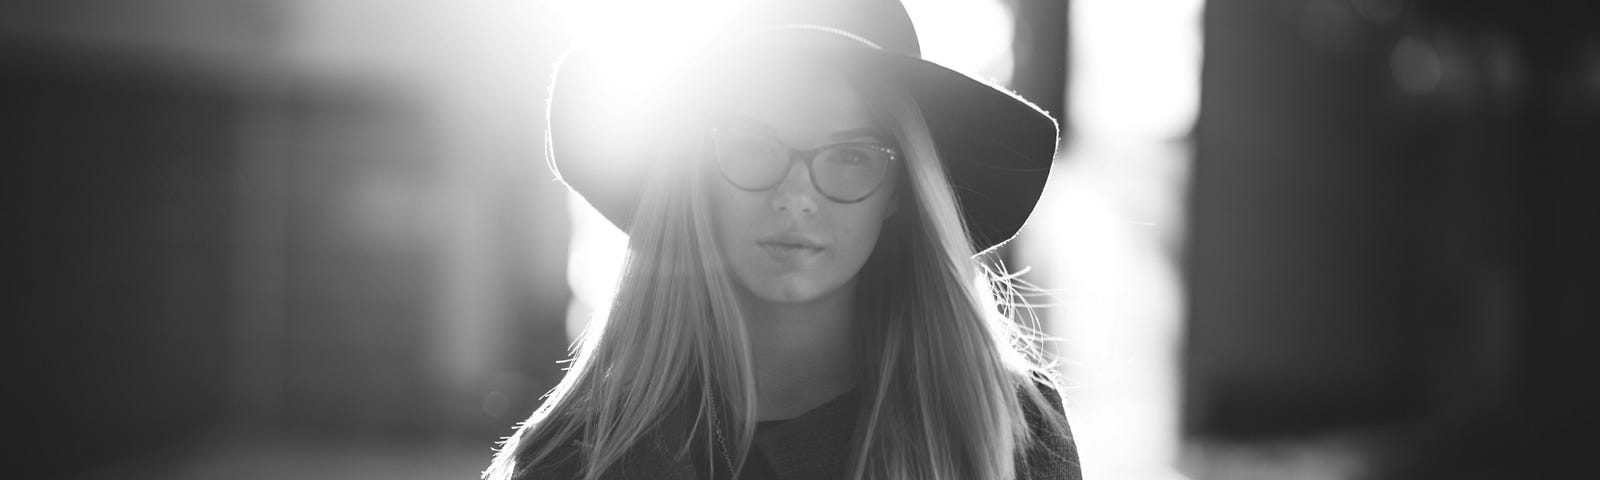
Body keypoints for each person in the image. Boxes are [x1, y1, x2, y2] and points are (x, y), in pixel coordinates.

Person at [485, 0, 1080, 478]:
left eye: (850, 155)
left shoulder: (1006, 435)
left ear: (899, 189)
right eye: (752, 145)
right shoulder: (574, 458)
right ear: (698, 172)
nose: (796, 195)